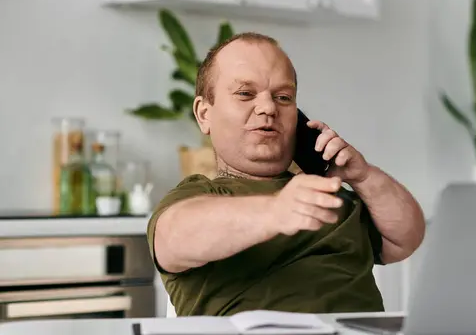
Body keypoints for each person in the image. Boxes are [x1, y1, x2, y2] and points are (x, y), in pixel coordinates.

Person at [147, 32, 426, 317]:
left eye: (283, 97)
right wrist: (275, 210)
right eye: (245, 93)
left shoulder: (331, 196)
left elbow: (406, 238)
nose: (268, 108)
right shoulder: (199, 196)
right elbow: (174, 238)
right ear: (204, 114)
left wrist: (363, 176)